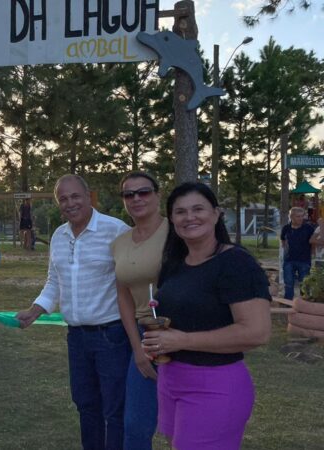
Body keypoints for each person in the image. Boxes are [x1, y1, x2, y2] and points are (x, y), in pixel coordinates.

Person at [142, 182, 271, 450]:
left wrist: (182, 340)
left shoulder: (235, 263)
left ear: (216, 214)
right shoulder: (175, 264)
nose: (189, 217)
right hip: (171, 379)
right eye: (180, 212)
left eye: (198, 209)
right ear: (172, 220)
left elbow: (257, 332)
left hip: (215, 384)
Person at [17, 174, 131, 450]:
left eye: (75, 196)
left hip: (112, 337)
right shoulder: (59, 235)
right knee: (86, 405)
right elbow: (55, 281)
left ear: (88, 196)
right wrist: (35, 310)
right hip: (77, 339)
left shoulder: (116, 230)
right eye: (63, 199)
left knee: (115, 410)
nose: (70, 203)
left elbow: (136, 277)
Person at [111, 172, 167, 450]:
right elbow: (124, 297)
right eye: (128, 194)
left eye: (143, 192)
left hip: (183, 336)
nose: (136, 198)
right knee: (135, 426)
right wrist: (137, 348)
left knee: (181, 425)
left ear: (158, 195)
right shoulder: (120, 243)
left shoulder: (176, 233)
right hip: (146, 338)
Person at [280, 206, 316, 299]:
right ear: (291, 217)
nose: (301, 218)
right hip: (289, 260)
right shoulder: (286, 228)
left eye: (302, 216)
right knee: (288, 283)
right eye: (298, 216)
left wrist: (312, 253)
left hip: (304, 260)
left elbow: (313, 242)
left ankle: (304, 304)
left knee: (304, 284)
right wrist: (286, 250)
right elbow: (283, 240)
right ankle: (288, 304)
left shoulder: (308, 228)